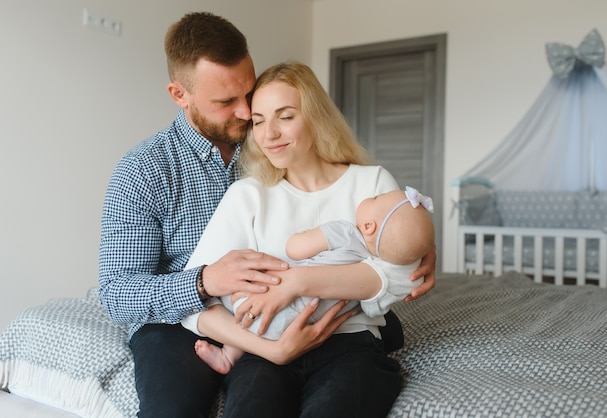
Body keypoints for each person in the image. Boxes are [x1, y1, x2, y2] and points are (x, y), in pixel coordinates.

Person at [98, 11, 436, 418]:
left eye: (250, 95)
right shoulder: (146, 171)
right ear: (179, 94)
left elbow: (387, 238)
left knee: (367, 337)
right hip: (185, 315)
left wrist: (412, 241)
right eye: (228, 103)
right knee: (174, 408)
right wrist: (205, 282)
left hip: (296, 316)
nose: (247, 115)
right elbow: (116, 293)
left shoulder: (265, 149)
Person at [180, 60, 429, 418]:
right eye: (259, 120)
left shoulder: (371, 184)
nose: (270, 134)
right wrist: (272, 351)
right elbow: (193, 302)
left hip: (350, 345)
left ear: (315, 116)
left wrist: (297, 282)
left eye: (285, 116)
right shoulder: (247, 195)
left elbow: (402, 275)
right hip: (264, 350)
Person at [190, 186, 436, 374]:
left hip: (258, 306)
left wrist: (303, 237)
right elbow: (373, 307)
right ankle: (229, 356)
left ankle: (229, 355)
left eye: (375, 199)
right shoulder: (377, 272)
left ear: (368, 226)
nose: (370, 196)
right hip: (303, 326)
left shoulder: (348, 232)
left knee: (240, 283)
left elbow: (295, 248)